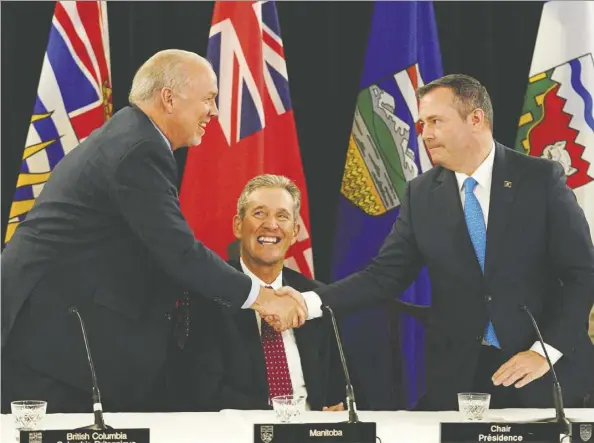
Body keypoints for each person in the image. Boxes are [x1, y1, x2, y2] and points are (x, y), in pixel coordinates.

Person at [1, 50, 304, 414]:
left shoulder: (131, 138)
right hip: (53, 352)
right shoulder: (139, 150)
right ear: (169, 98)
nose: (215, 111)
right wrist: (264, 298)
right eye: (208, 98)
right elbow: (178, 252)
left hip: (58, 343)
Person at [277, 74, 594, 410]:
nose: (424, 133)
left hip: (544, 371)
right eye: (421, 123)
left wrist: (544, 351)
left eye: (435, 121)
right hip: (462, 378)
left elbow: (582, 273)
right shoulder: (421, 194)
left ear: (475, 119)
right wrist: (306, 303)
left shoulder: (540, 180)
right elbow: (383, 276)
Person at [169, 174, 345, 412]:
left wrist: (333, 410)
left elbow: (336, 385)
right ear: (238, 226)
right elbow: (204, 390)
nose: (271, 225)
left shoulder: (313, 297)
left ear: (294, 233)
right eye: (259, 213)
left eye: (282, 216)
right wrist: (280, 421)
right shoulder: (209, 293)